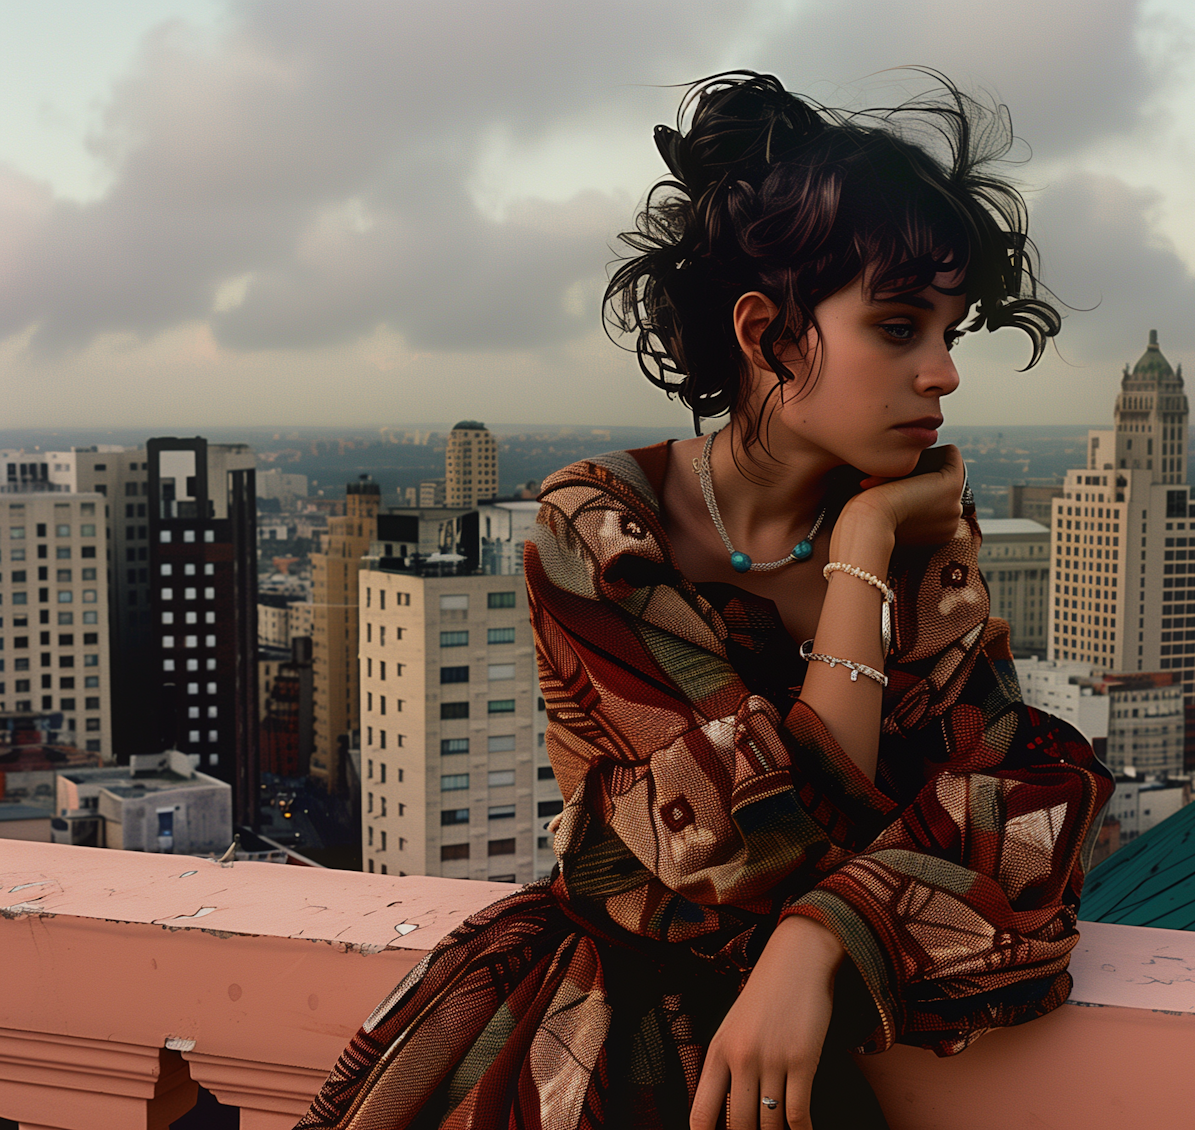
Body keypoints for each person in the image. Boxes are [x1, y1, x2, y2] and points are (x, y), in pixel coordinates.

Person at [297, 71, 1112, 1130]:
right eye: (901, 325)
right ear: (766, 333)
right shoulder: (598, 531)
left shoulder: (917, 539)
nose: (945, 372)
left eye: (952, 331)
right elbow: (749, 839)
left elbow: (1035, 789)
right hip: (591, 1048)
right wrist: (865, 551)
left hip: (809, 1059)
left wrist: (821, 937)